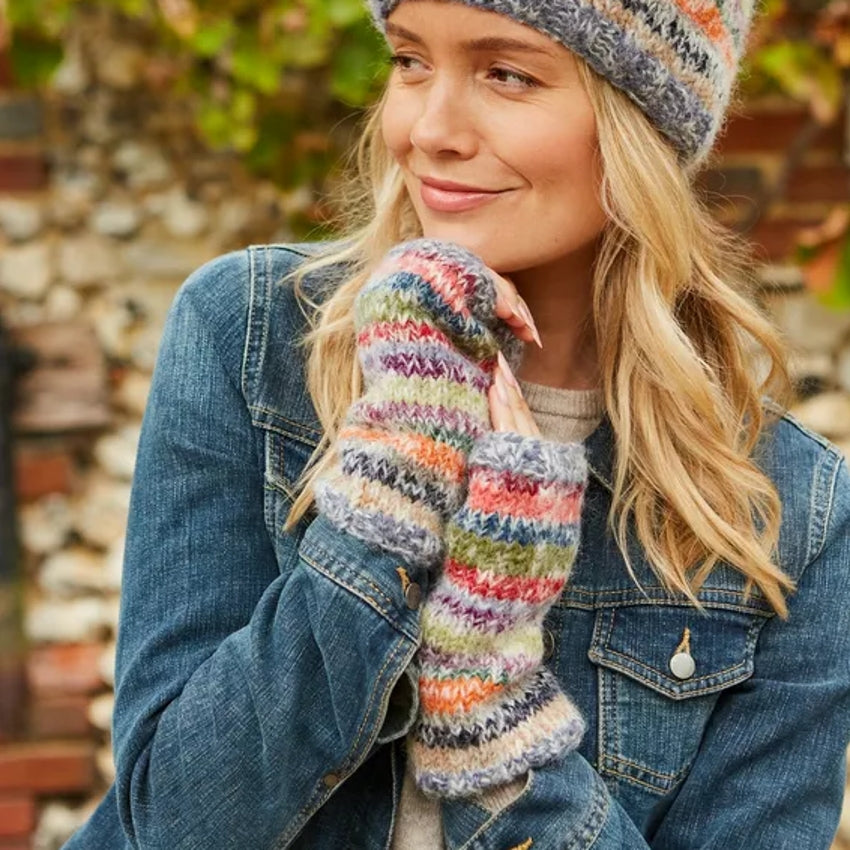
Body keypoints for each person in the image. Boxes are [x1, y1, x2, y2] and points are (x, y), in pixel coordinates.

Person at [64, 0, 850, 847]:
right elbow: (171, 821)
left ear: (642, 122)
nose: (429, 129)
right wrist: (395, 484)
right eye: (410, 60)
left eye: (506, 73)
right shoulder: (252, 337)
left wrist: (485, 688)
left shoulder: (787, 517)